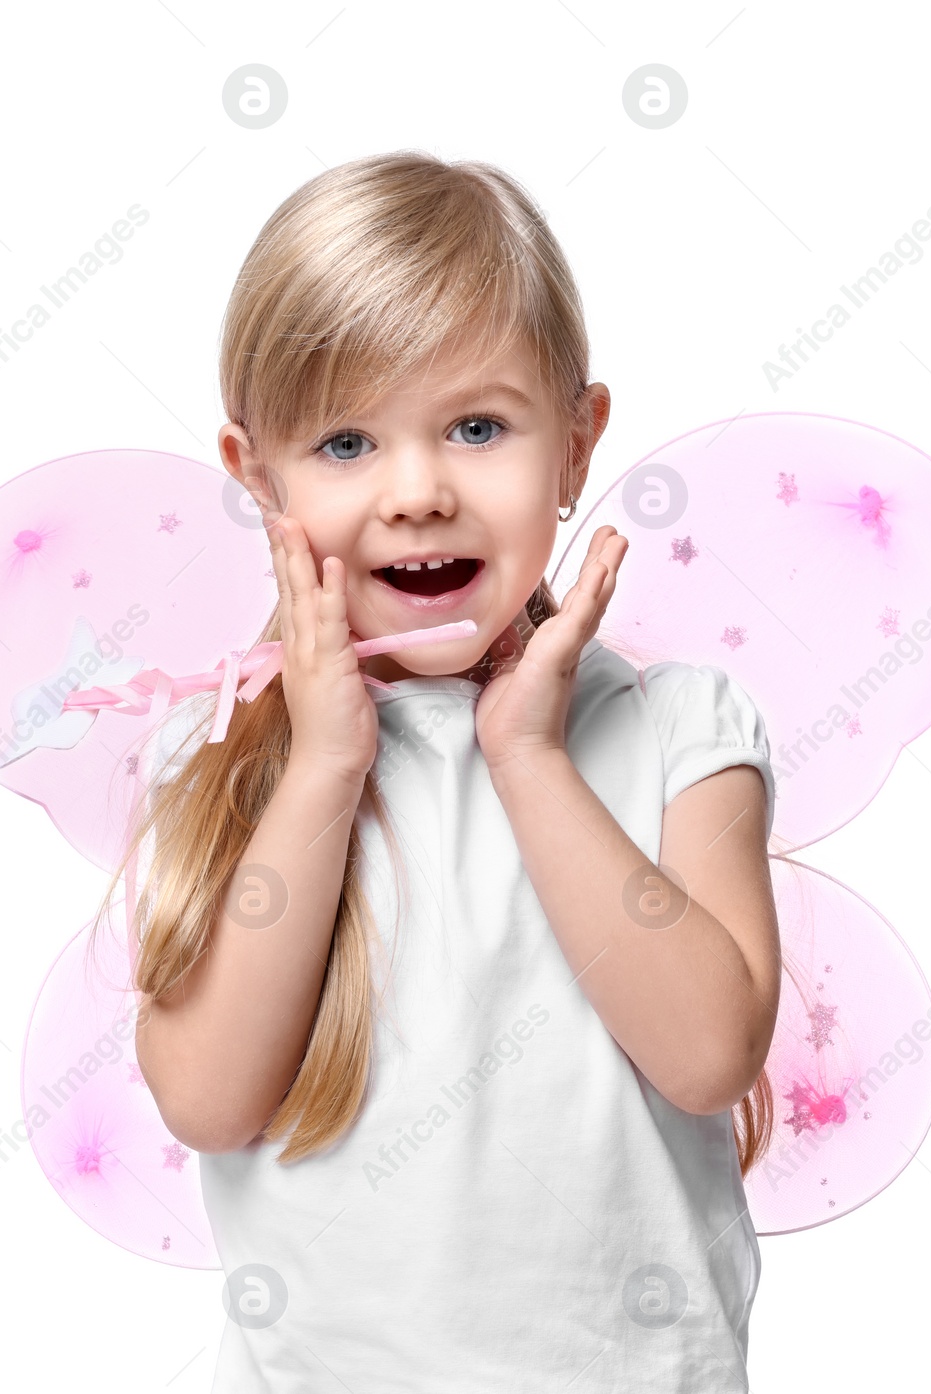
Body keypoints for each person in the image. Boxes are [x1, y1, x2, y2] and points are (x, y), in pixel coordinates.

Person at [127, 149, 780, 1392]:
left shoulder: (683, 731)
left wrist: (526, 753)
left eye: (478, 427)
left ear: (578, 445)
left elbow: (707, 1053)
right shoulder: (228, 749)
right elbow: (208, 1098)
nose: (417, 491)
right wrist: (324, 761)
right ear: (257, 476)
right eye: (345, 441)